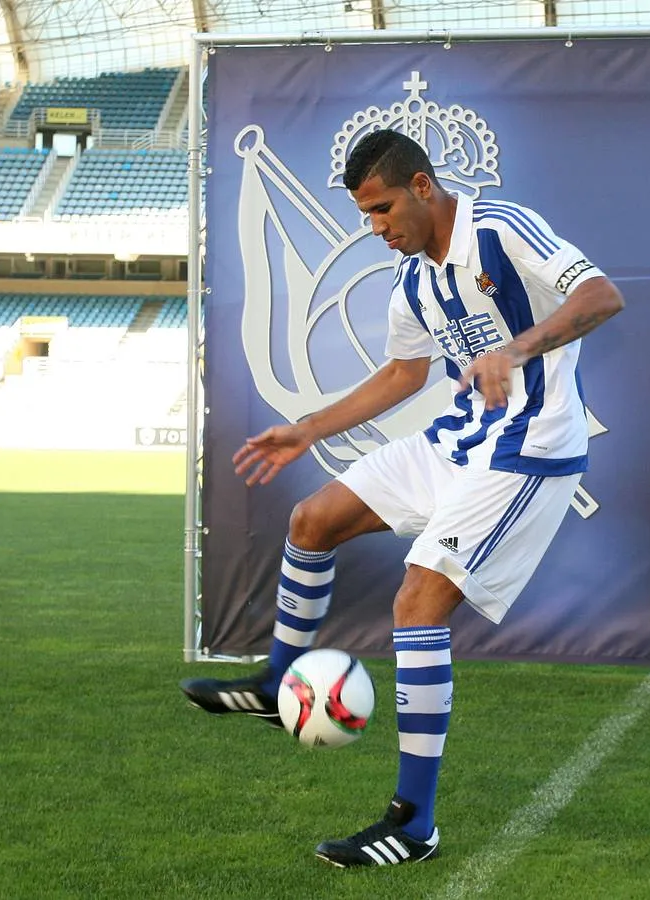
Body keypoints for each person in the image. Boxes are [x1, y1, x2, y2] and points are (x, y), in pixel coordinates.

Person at [180, 128, 624, 867]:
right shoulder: (413, 280)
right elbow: (400, 378)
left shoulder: (499, 229)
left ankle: (413, 825)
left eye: (382, 209)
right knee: (312, 519)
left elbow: (601, 295)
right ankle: (274, 682)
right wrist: (306, 430)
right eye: (365, 216)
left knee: (417, 601)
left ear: (422, 186)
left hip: (527, 451)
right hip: (456, 443)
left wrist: (514, 349)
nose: (377, 228)